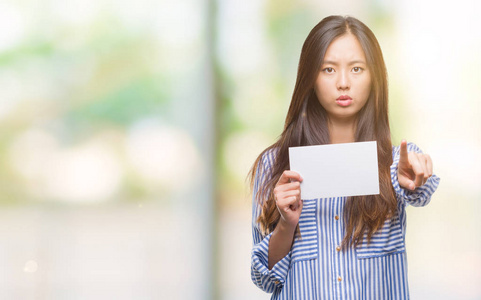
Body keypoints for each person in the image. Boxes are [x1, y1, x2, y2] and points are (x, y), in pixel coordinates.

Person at [249, 15, 440, 299]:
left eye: (357, 69)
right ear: (310, 77)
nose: (342, 82)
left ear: (374, 76)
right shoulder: (275, 165)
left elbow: (419, 190)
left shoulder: (395, 161)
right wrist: (287, 225)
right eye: (328, 69)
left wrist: (415, 177)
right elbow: (265, 279)